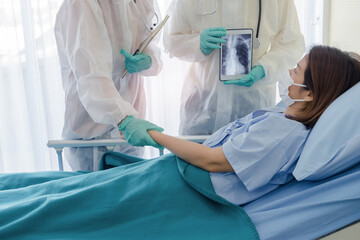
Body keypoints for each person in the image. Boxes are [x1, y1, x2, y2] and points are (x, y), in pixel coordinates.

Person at [1, 46, 360, 239]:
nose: (288, 74)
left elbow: (214, 162)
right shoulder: (285, 116)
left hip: (183, 191)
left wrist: (155, 135)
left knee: (73, 206)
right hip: (172, 176)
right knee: (71, 191)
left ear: (312, 93)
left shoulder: (288, 133)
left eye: (296, 73)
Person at [163, 0, 306, 135]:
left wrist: (265, 68)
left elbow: (291, 43)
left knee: (248, 155)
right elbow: (171, 39)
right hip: (203, 103)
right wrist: (198, 43)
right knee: (193, 157)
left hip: (253, 102)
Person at [54, 0, 164, 171]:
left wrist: (149, 59)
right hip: (92, 131)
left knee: (132, 194)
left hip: (131, 122)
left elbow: (151, 41)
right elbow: (91, 74)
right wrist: (123, 118)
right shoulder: (80, 4)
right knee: (97, 195)